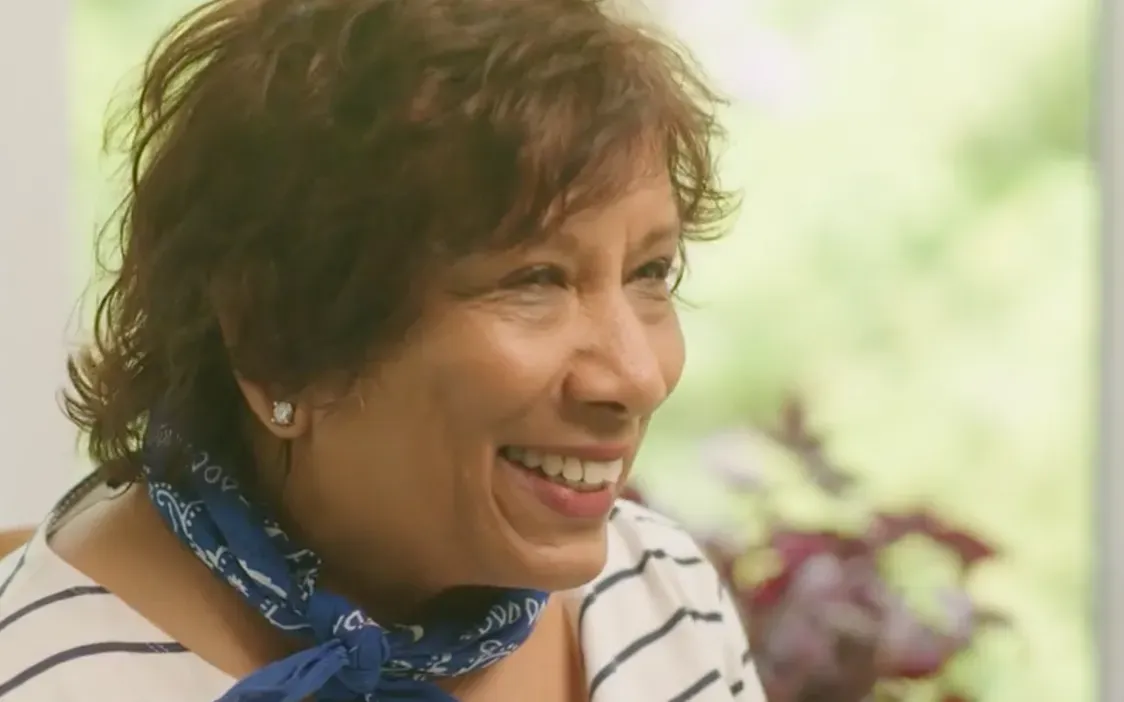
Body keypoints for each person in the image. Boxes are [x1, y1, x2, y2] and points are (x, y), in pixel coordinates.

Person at [0, 0, 763, 700]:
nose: (636, 376)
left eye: (650, 272)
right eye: (534, 280)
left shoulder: (664, 595)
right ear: (279, 340)